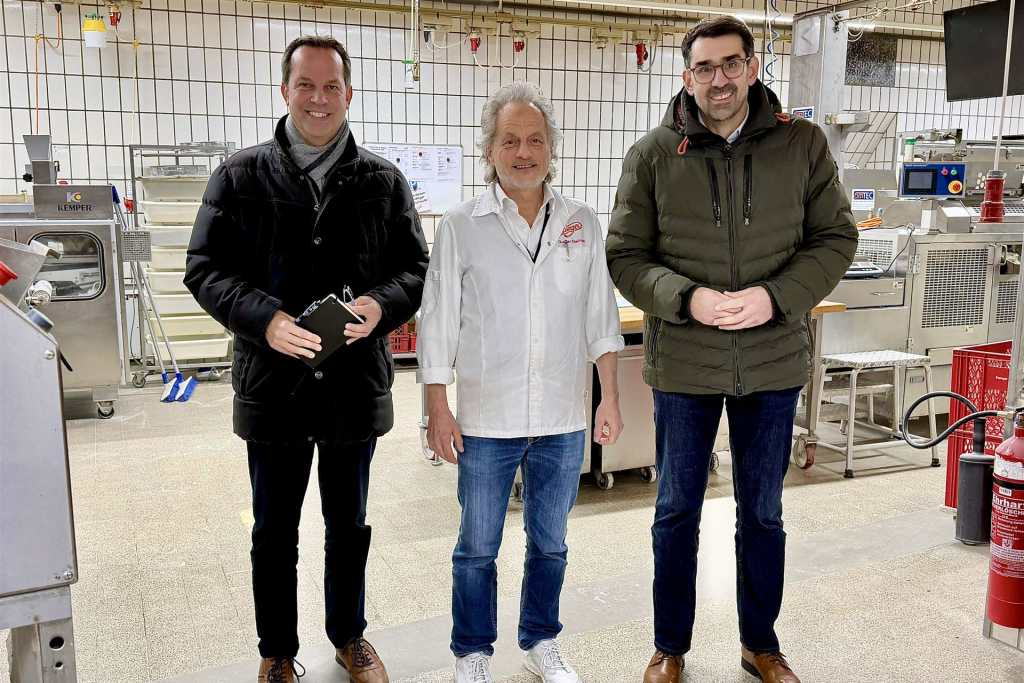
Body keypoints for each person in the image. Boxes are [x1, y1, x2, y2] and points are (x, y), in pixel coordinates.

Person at [606, 16, 858, 683]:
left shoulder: (802, 145)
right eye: (704, 67)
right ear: (687, 76)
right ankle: (669, 646)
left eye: (730, 64)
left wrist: (776, 297)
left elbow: (836, 237)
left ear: (752, 67)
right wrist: (686, 298)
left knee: (764, 513)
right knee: (675, 511)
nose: (718, 79)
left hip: (771, 362)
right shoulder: (653, 155)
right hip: (684, 364)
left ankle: (760, 644)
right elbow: (625, 255)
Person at [185, 34, 428, 683]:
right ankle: (277, 650)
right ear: (285, 90)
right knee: (274, 529)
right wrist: (264, 318)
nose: (319, 99)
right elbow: (204, 268)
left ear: (348, 94)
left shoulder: (383, 181)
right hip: (274, 388)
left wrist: (379, 305)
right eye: (305, 85)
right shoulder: (239, 176)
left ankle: (350, 635)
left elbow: (416, 268)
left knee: (349, 524)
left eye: (331, 87)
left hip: (353, 385)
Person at [417, 81, 625, 683]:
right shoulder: (463, 225)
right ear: (490, 150)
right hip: (487, 417)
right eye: (510, 140)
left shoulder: (581, 223)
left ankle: (541, 640)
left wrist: (609, 396)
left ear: (551, 149)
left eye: (535, 140)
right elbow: (438, 322)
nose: (524, 152)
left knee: (551, 543)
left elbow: (600, 316)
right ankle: (472, 653)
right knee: (477, 547)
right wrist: (437, 407)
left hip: (562, 415)